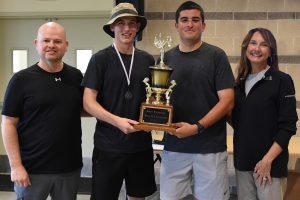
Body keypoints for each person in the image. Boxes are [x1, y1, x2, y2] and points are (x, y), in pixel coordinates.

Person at [159, 1, 235, 200]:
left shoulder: (217, 56)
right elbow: (158, 100)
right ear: (176, 25)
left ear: (203, 25)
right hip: (174, 146)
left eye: (195, 20)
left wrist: (197, 128)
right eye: (184, 20)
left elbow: (227, 101)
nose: (190, 24)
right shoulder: (164, 60)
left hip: (209, 148)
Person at [81, 3, 156, 200]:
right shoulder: (100, 59)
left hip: (140, 145)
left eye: (132, 23)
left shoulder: (148, 60)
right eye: (120, 23)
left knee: (138, 196)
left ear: (138, 27)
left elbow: (154, 99)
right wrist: (117, 121)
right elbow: (88, 102)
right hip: (109, 146)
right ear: (112, 27)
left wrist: (156, 121)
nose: (127, 28)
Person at [1, 22, 83, 200]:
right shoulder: (20, 80)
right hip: (31, 171)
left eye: (57, 41)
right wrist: (16, 166)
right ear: (36, 43)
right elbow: (8, 124)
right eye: (46, 40)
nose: (51, 45)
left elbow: (83, 108)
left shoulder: (76, 77)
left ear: (66, 46)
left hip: (69, 169)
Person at [231, 28, 298, 200]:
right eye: (253, 43)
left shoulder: (282, 80)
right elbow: (240, 121)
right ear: (246, 47)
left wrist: (267, 160)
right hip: (243, 164)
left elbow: (288, 126)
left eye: (264, 44)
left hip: (270, 166)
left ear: (271, 51)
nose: (257, 48)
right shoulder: (239, 83)